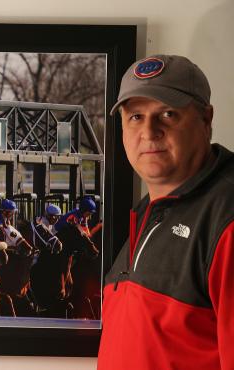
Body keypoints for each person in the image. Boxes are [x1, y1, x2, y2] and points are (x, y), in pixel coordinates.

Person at [97, 55, 234, 370]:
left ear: (206, 119)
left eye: (168, 114)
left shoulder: (226, 216)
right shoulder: (150, 209)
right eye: (135, 117)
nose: (149, 131)